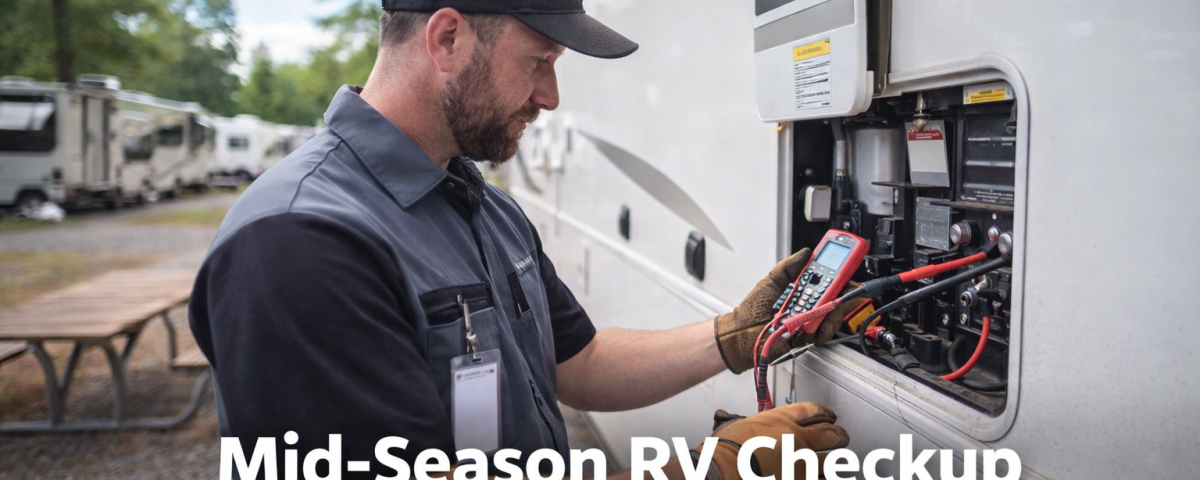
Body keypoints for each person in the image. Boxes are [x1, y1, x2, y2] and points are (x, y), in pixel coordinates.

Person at [189, 1, 864, 478]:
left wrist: (733, 335)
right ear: (447, 38)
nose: (551, 96)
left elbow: (581, 360)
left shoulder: (477, 204)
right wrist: (709, 469)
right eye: (539, 61)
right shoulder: (298, 244)